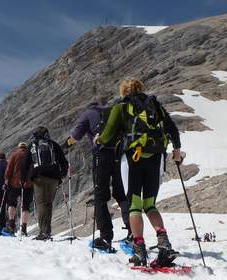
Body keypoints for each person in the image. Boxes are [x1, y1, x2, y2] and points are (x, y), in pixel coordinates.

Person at [95, 79, 182, 267]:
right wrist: (176, 150)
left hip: (133, 158)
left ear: (123, 91)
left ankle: (139, 251)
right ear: (141, 89)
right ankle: (164, 244)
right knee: (150, 204)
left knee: (134, 204)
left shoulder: (122, 106)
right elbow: (172, 128)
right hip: (156, 156)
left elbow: (108, 134)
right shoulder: (154, 104)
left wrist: (98, 139)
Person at [61, 96, 131, 251]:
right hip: (118, 155)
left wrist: (66, 145)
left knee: (101, 195)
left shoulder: (87, 114)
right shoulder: (111, 111)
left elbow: (76, 136)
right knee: (120, 194)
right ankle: (132, 232)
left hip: (101, 155)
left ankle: (106, 237)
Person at [23, 126, 68, 240]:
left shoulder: (33, 145)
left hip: (39, 177)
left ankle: (44, 232)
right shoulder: (53, 144)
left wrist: (24, 179)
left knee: (41, 203)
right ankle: (47, 231)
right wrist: (61, 174)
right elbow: (63, 161)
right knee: (48, 203)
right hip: (53, 178)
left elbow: (24, 164)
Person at [3, 142, 33, 236]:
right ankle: (24, 228)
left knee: (12, 204)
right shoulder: (31, 155)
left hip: (14, 183)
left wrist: (6, 179)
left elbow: (9, 169)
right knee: (26, 206)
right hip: (28, 183)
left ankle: (11, 224)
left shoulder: (14, 155)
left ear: (19, 147)